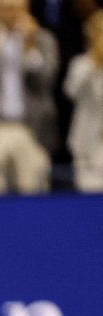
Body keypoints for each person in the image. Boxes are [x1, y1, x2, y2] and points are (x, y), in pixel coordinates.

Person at [0, 0, 59, 194]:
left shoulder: (43, 39)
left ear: (27, 9)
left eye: (16, 9)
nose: (11, 14)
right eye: (6, 9)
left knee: (34, 188)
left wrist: (30, 46)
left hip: (31, 127)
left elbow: (46, 81)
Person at [66, 11, 103, 191]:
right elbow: (71, 91)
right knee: (88, 199)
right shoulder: (80, 64)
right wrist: (94, 64)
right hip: (86, 145)